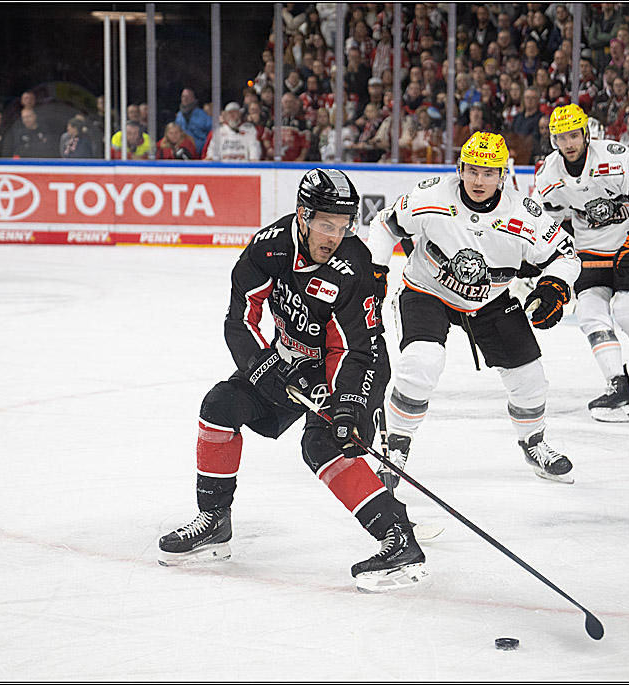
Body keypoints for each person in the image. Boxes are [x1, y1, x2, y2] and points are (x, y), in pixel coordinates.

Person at [157, 168, 427, 593]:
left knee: (323, 444)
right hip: (288, 363)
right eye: (325, 224)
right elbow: (239, 320)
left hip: (357, 365)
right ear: (302, 215)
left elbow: (353, 349)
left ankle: (398, 540)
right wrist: (261, 366)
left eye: (343, 226)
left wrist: (347, 407)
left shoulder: (354, 265)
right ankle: (214, 521)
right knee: (219, 406)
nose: (334, 235)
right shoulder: (269, 249)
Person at [365, 132, 581, 485]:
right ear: (460, 169)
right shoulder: (432, 195)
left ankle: (534, 443)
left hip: (489, 301)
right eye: (473, 171)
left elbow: (566, 255)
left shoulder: (525, 215)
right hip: (427, 291)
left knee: (530, 380)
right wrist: (376, 270)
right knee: (422, 363)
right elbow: (385, 225)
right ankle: (396, 447)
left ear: (503, 175)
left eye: (489, 173)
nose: (479, 181)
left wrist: (554, 285)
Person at [535, 104, 629, 422]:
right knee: (590, 312)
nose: (568, 143)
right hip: (591, 246)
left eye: (573, 135)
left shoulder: (618, 158)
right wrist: (548, 263)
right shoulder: (549, 173)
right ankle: (618, 386)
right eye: (561, 137)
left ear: (585, 134)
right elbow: (546, 222)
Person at [175, 88, 213, 156]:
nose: (185, 99)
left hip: (199, 153)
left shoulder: (203, 115)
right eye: (183, 96)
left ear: (193, 98)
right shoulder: (179, 116)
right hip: (182, 152)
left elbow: (212, 132)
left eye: (188, 97)